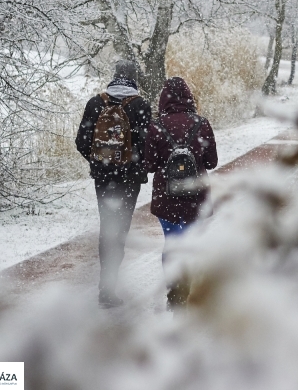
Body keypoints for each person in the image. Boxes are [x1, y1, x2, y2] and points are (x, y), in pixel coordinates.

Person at [75, 60, 152, 308]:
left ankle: (105, 285)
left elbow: (81, 141)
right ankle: (110, 285)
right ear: (133, 79)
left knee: (107, 226)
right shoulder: (140, 105)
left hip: (103, 179)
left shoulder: (96, 103)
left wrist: (100, 162)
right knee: (120, 230)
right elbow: (147, 146)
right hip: (129, 180)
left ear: (114, 75)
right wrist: (133, 165)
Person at [144, 76, 217, 308]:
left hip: (167, 198)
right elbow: (212, 161)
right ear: (188, 97)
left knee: (172, 243)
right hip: (196, 198)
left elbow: (149, 165)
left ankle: (175, 291)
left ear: (163, 98)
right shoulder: (202, 123)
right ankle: (190, 290)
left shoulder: (156, 126)